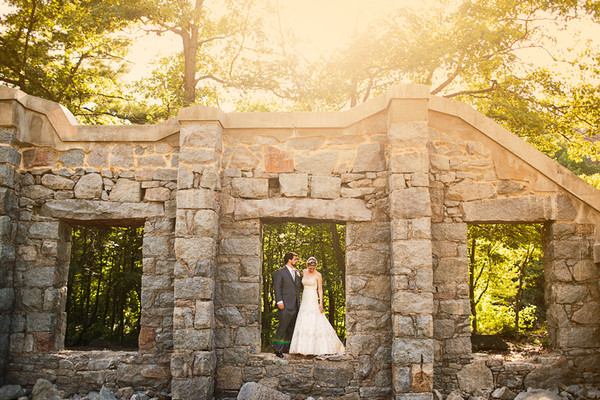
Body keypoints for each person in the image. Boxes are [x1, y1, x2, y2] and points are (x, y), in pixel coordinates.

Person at [289, 256, 345, 355]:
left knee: (315, 318)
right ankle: (302, 348)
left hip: (313, 298)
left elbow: (320, 289)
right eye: (310, 268)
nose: (311, 270)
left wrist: (321, 303)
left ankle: (318, 348)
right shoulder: (303, 272)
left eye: (313, 268)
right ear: (307, 266)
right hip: (305, 299)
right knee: (304, 320)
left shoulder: (318, 275)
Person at [273, 251, 303, 358]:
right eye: (295, 259)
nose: (296, 261)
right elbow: (277, 287)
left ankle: (287, 348)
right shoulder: (280, 272)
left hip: (296, 305)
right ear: (289, 260)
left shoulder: (298, 273)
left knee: (292, 329)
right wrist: (279, 301)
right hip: (284, 305)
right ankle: (278, 350)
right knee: (282, 327)